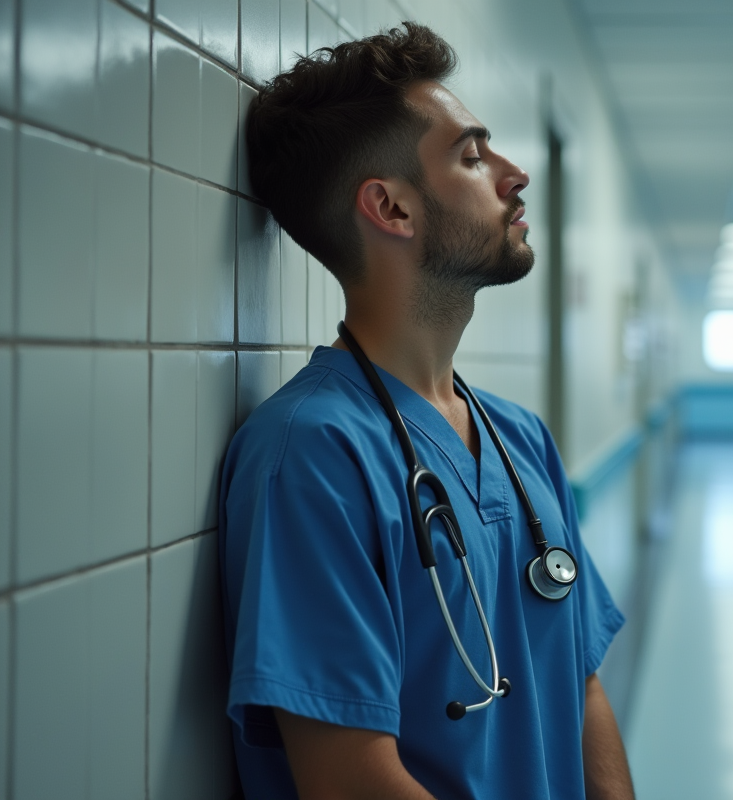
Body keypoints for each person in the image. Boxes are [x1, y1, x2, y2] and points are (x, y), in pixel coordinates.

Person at [219, 23, 634, 800]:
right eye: (473, 157)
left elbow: (580, 685)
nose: (515, 175)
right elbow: (349, 779)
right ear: (391, 208)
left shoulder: (518, 438)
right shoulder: (311, 455)